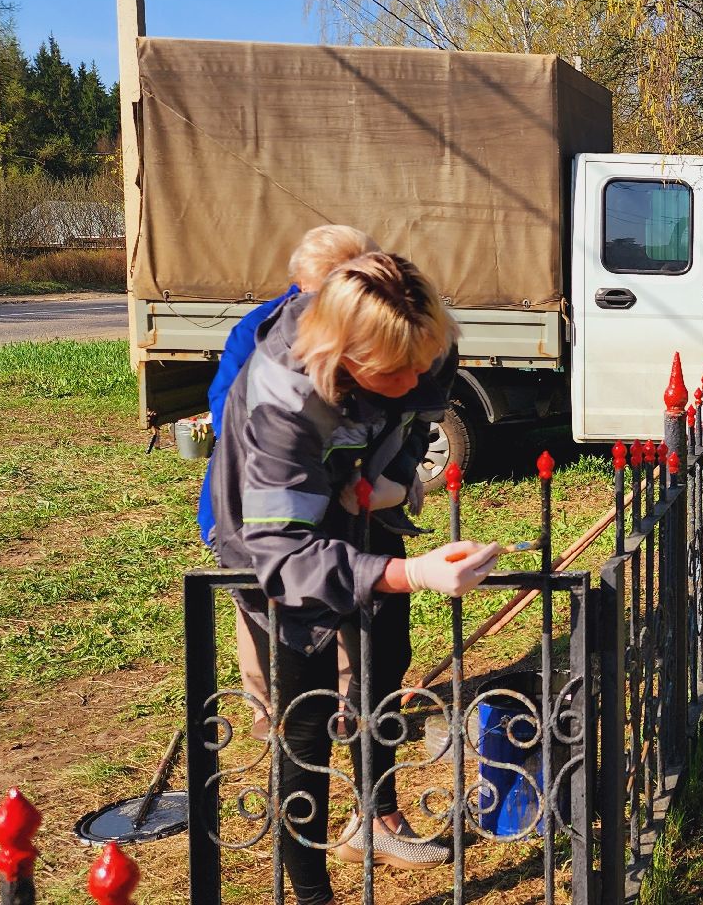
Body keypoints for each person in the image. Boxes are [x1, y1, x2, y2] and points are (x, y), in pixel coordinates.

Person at [209, 251, 500, 904]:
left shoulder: (423, 346)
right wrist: (412, 573)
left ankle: (376, 819)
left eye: (426, 358)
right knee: (308, 717)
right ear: (346, 359)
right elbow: (283, 557)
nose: (420, 373)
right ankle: (313, 894)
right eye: (398, 369)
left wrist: (389, 476)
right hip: (276, 547)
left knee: (381, 669)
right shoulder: (285, 400)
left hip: (361, 518)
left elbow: (424, 407)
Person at [197, 225, 379, 742]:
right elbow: (228, 410)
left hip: (331, 501)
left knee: (338, 598)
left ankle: (343, 706)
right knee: (261, 601)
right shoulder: (259, 332)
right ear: (305, 285)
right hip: (254, 505)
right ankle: (265, 709)